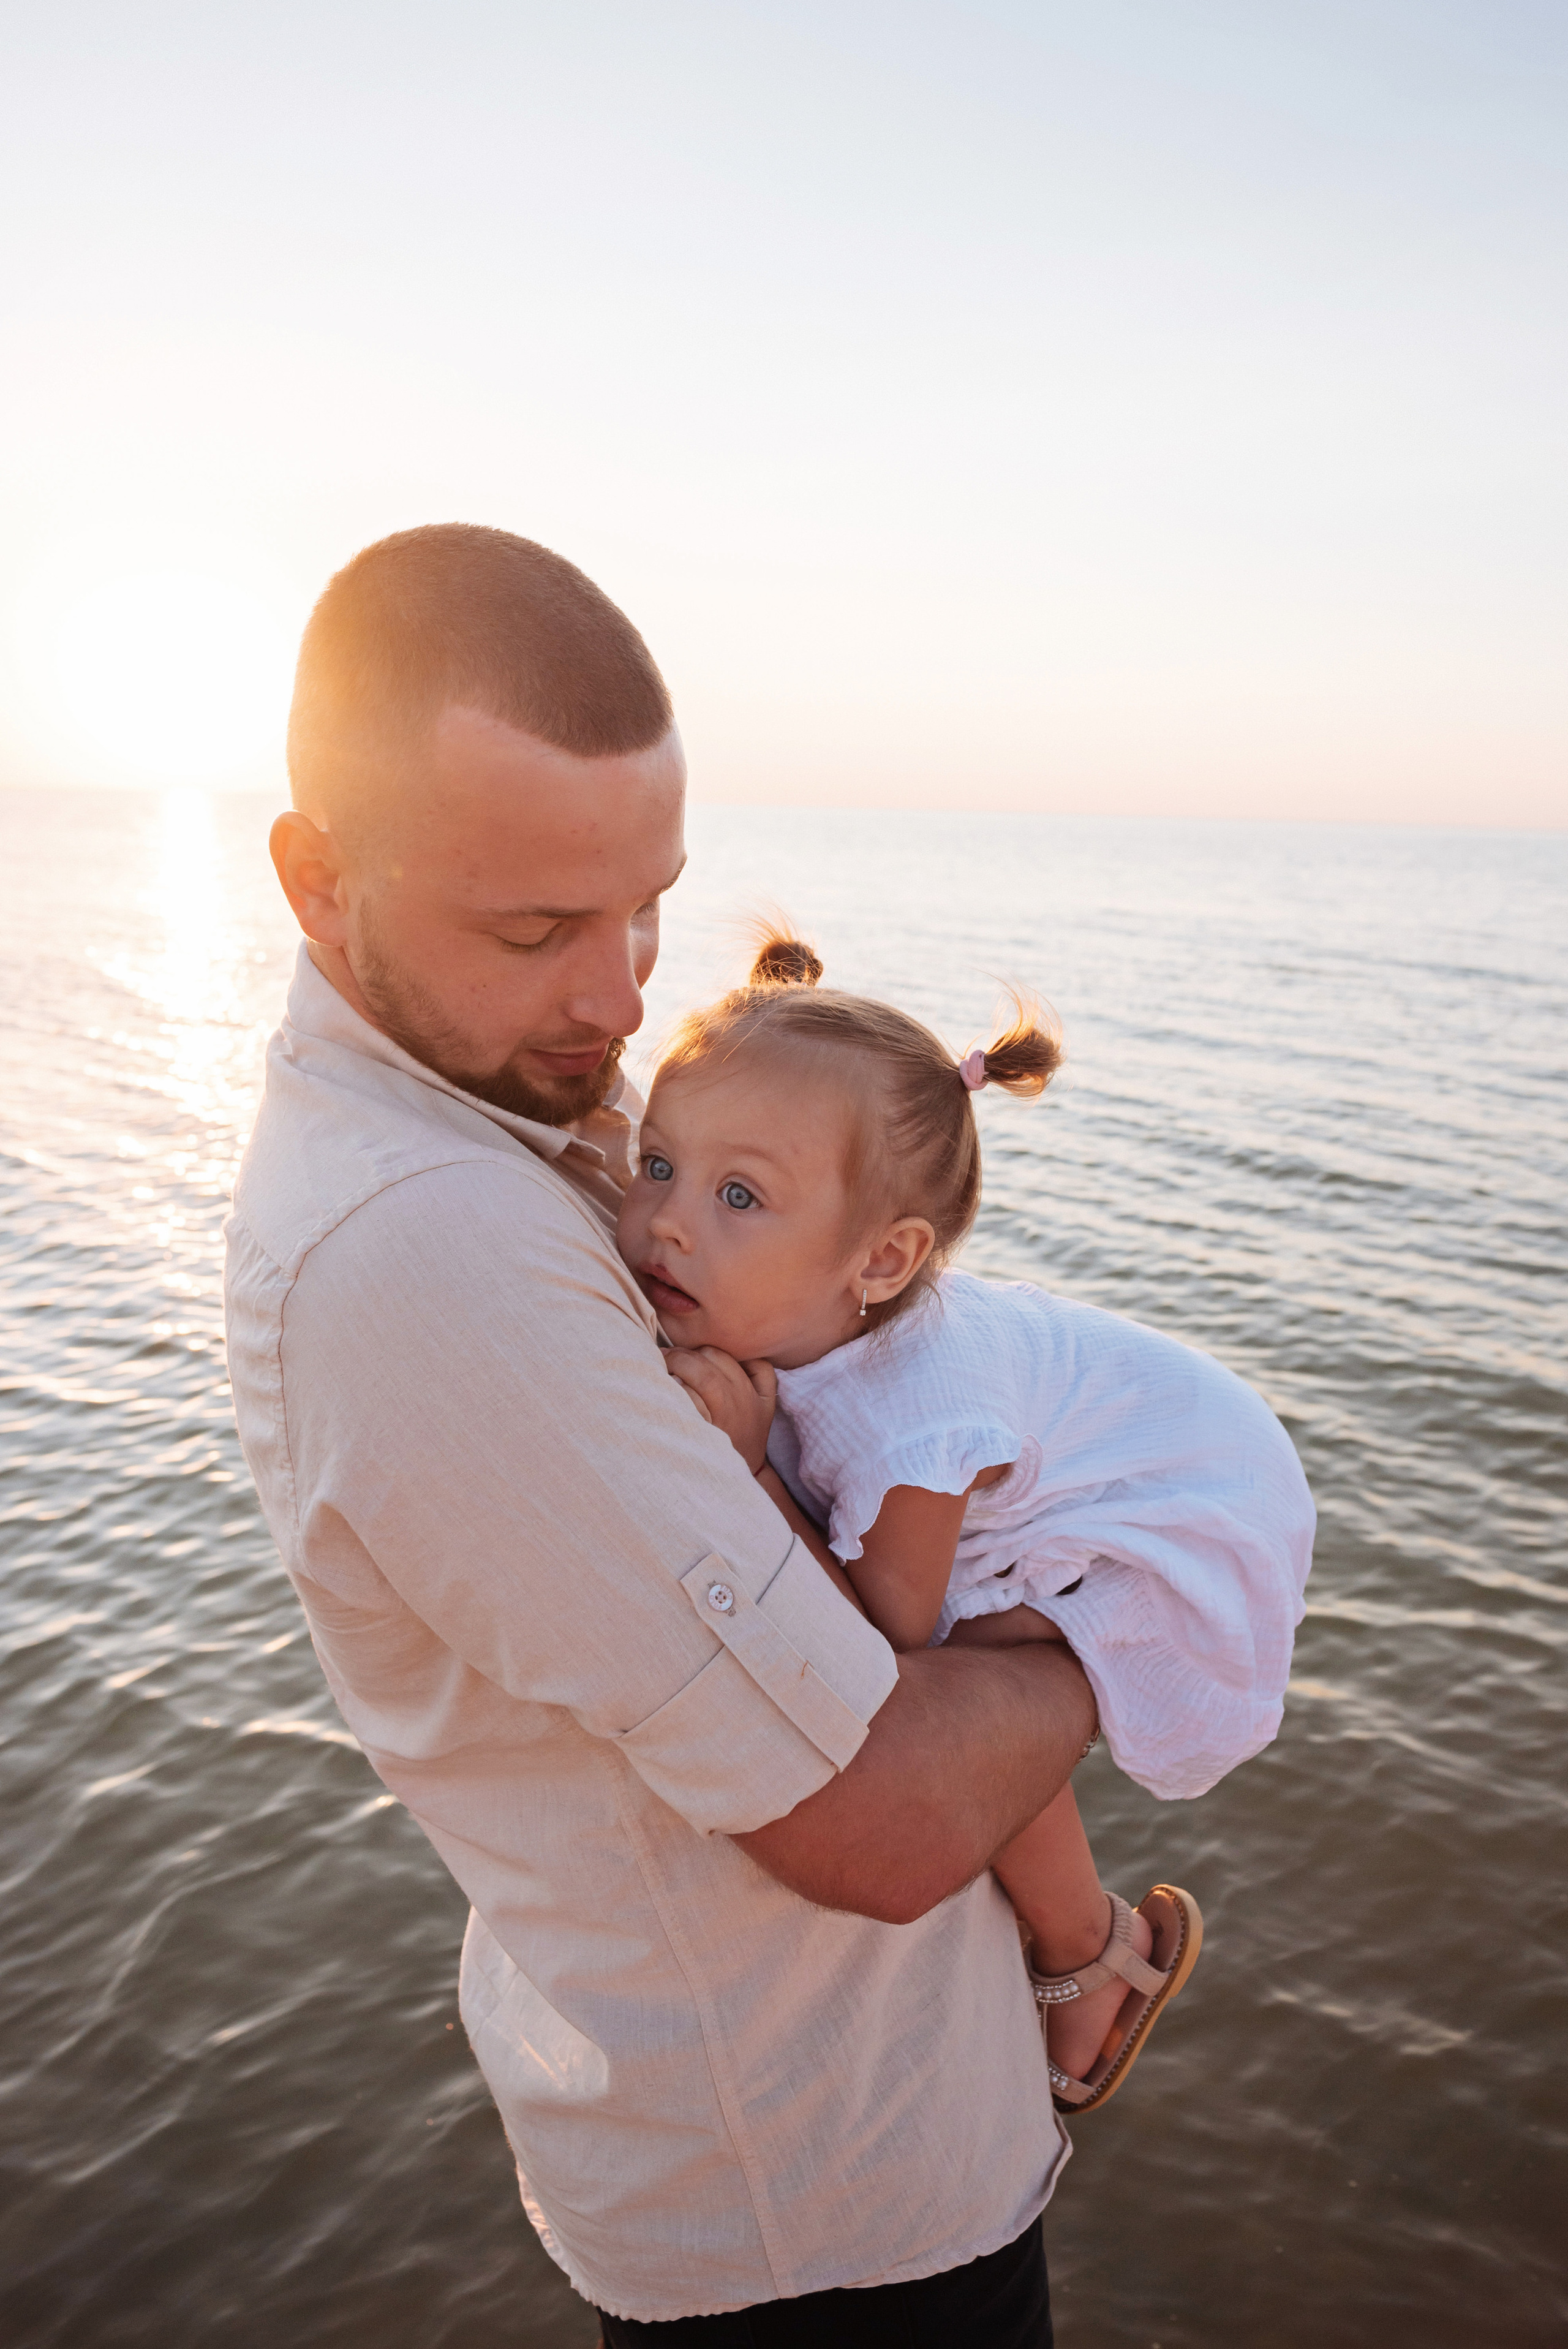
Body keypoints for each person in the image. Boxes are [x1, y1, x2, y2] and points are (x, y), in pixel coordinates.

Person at [225, 523, 1097, 2343]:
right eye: (538, 927)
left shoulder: (525, 1104)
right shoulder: (426, 1250)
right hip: (820, 2224)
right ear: (318, 878)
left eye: (644, 907)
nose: (623, 999)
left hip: (865, 2162)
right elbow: (874, 1823)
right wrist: (1120, 1628)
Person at [616, 934, 1316, 2114]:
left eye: (739, 1196)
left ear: (882, 1262)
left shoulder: (907, 1423)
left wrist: (752, 1468)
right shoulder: (811, 1317)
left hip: (1192, 1496)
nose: (668, 1224)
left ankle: (1092, 1954)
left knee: (969, 1684)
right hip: (1110, 1439)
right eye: (656, 1165)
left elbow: (889, 1638)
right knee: (969, 1669)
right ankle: (1086, 1937)